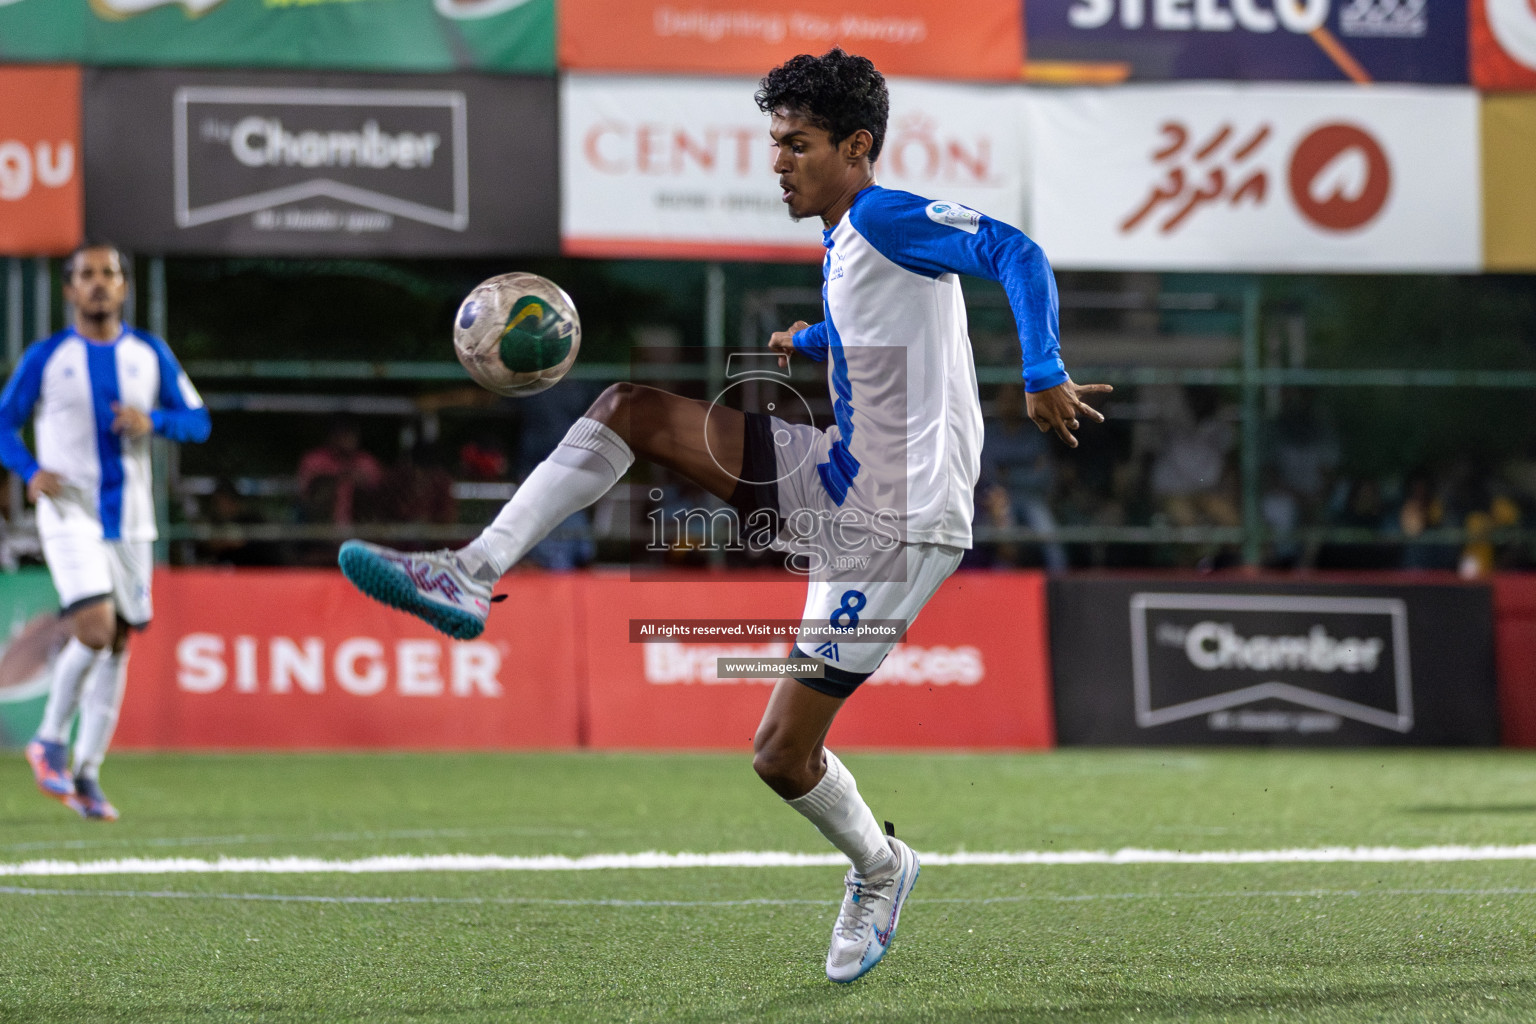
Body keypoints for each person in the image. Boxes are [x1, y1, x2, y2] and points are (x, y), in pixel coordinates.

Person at [339, 50, 1107, 982]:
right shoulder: (846, 240)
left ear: (857, 146)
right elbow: (893, 324)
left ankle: (881, 867)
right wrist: (816, 337)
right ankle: (469, 569)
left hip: (898, 527)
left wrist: (1042, 372)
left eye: (798, 145)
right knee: (627, 408)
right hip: (840, 480)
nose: (778, 162)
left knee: (781, 756)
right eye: (774, 143)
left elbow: (1015, 253)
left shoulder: (885, 213)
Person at [0, 242, 210, 821]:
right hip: (69, 512)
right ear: (69, 290)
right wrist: (29, 471)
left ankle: (88, 771)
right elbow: (3, 423)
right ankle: (47, 740)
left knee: (117, 643)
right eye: (86, 275)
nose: (98, 284)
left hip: (133, 519)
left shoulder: (150, 355)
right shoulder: (47, 357)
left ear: (123, 288)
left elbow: (198, 420)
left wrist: (156, 420)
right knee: (94, 628)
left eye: (108, 274)